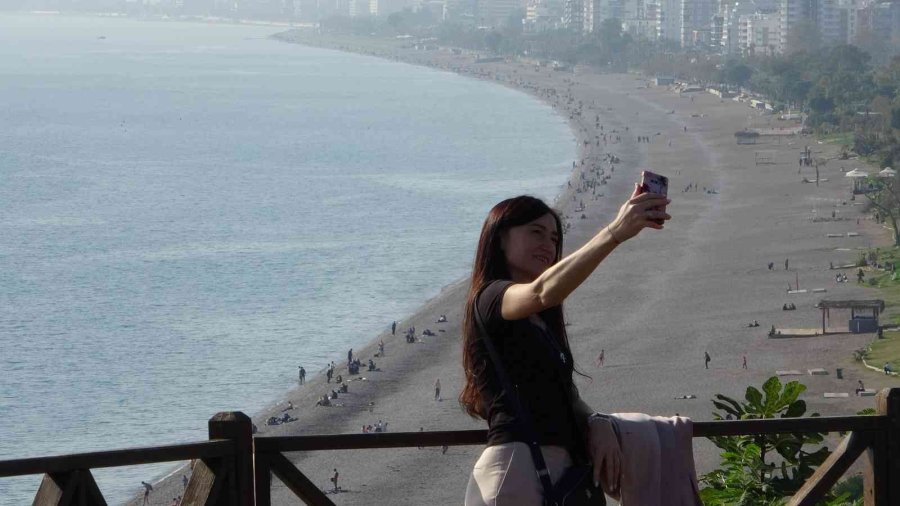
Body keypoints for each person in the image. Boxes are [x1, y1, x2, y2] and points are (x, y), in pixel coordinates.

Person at [461, 191, 669, 505]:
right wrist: (615, 232)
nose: (548, 243)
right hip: (517, 473)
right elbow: (543, 291)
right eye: (535, 232)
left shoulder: (539, 321)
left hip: (555, 473)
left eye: (555, 237)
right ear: (500, 239)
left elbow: (563, 394)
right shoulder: (492, 298)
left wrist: (596, 421)